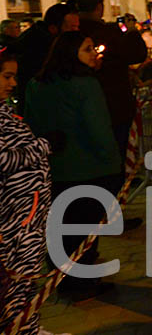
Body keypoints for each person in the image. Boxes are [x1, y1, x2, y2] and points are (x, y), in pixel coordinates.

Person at [25, 32, 121, 301]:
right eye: (87, 49)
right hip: (88, 167)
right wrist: (113, 161)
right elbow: (98, 128)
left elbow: (32, 124)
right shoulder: (85, 84)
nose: (94, 53)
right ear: (70, 53)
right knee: (85, 230)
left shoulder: (36, 84)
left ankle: (63, 278)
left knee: (62, 226)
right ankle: (83, 281)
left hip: (54, 168)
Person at [0, 49, 55, 335]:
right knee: (14, 288)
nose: (12, 84)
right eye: (6, 76)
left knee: (25, 284)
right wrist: (41, 147)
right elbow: (4, 159)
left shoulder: (6, 114)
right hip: (12, 226)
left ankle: (28, 328)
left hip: (26, 221)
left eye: (14, 77)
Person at [76, 0, 147, 170]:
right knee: (116, 153)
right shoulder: (107, 33)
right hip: (112, 103)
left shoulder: (71, 34)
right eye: (87, 50)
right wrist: (131, 32)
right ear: (99, 7)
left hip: (83, 106)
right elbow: (136, 54)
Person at [14, 2, 79, 106]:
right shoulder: (39, 47)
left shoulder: (42, 39)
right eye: (72, 28)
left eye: (77, 27)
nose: (76, 32)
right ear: (53, 28)